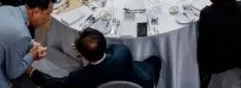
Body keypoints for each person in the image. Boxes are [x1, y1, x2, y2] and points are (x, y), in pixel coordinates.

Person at [30, 28, 161, 88]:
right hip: (139, 84)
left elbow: (51, 84)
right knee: (155, 60)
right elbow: (114, 48)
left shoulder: (78, 77)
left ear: (82, 55)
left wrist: (30, 71)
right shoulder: (122, 53)